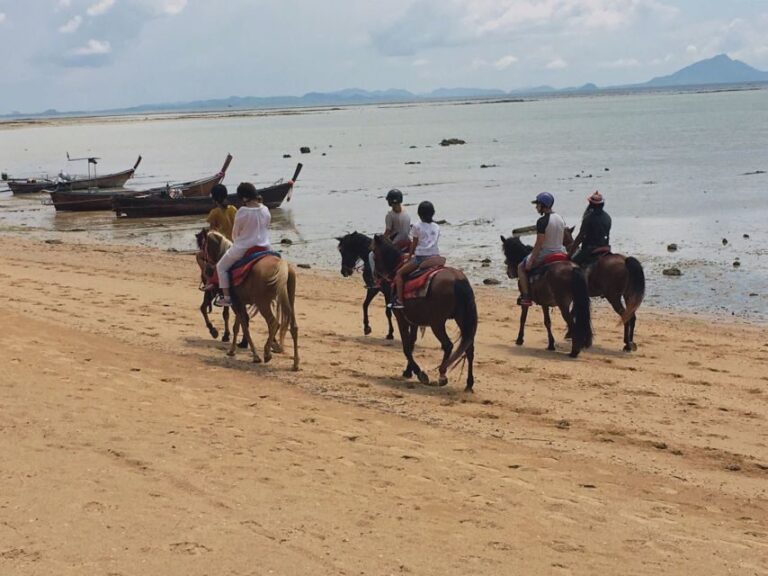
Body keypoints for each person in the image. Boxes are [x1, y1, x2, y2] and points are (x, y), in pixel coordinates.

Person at [214, 182, 271, 307]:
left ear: (244, 197)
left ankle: (227, 298)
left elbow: (235, 233)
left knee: (221, 267)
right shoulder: (266, 209)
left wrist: (237, 241)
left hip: (244, 248)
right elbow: (267, 226)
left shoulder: (242, 212)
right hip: (265, 247)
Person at [517, 192, 567, 307]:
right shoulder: (560, 218)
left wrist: (531, 259)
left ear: (543, 205)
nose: (536, 207)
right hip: (561, 251)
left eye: (538, 204)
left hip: (546, 253)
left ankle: (526, 297)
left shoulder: (542, 221)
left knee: (520, 267)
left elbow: (539, 243)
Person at [391, 200, 440, 309]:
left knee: (399, 274)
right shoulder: (436, 226)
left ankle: (399, 301)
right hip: (436, 257)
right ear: (433, 213)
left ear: (419, 214)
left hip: (421, 258)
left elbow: (414, 244)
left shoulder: (417, 226)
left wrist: (409, 257)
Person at [569, 191, 612, 266]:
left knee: (573, 264)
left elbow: (581, 236)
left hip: (590, 249)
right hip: (605, 247)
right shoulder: (608, 217)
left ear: (591, 204)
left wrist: (570, 253)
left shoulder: (588, 218)